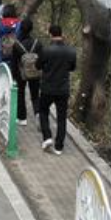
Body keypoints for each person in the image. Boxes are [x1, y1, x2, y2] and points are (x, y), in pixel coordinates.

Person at [34, 23, 79, 153]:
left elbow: (38, 66)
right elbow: (72, 68)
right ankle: (59, 146)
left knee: (43, 111)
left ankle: (47, 136)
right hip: (63, 89)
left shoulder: (46, 50)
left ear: (50, 34)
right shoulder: (71, 51)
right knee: (61, 117)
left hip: (47, 87)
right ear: (62, 34)